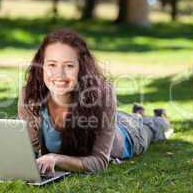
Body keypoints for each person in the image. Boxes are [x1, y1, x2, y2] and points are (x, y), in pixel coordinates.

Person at [17, 29, 173, 175]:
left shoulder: (101, 94)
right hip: (113, 120)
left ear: (81, 68)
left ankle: (159, 119)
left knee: (151, 127)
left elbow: (99, 161)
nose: (59, 74)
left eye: (69, 66)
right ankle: (137, 113)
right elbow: (32, 149)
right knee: (128, 117)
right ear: (41, 66)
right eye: (52, 64)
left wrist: (57, 159)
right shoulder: (30, 97)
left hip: (129, 135)